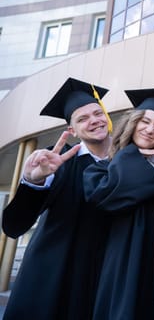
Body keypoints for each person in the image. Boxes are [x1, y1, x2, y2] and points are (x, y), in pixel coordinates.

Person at [2, 77, 113, 320]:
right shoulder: (58, 161)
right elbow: (14, 226)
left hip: (105, 277)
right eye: (83, 119)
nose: (94, 121)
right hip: (55, 277)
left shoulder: (124, 163)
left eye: (97, 113)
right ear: (72, 130)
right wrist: (34, 182)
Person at [83, 87, 154, 320]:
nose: (150, 129)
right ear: (132, 123)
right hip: (120, 262)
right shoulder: (101, 169)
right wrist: (132, 157)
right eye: (144, 121)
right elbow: (105, 199)